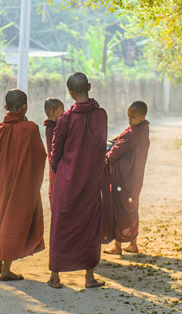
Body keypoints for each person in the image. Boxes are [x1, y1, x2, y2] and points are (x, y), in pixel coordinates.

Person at [47, 72, 107, 289]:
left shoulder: (66, 119)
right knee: (89, 224)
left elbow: (56, 150)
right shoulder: (101, 115)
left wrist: (58, 168)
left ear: (70, 93)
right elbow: (101, 146)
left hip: (68, 179)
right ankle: (89, 276)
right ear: (89, 86)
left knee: (62, 224)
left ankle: (55, 276)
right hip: (91, 179)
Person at [0, 89, 46, 281]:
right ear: (25, 106)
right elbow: (40, 157)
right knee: (14, 222)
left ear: (6, 107)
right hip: (21, 184)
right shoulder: (31, 129)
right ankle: (5, 270)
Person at [103, 101, 150, 256]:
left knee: (119, 210)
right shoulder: (143, 129)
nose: (130, 119)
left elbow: (115, 152)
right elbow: (122, 140)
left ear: (143, 116)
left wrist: (105, 157)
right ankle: (133, 244)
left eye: (133, 117)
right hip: (135, 179)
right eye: (128, 116)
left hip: (123, 179)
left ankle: (117, 247)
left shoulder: (132, 133)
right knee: (131, 209)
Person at [43, 97, 65, 208]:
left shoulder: (52, 126)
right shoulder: (52, 128)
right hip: (57, 166)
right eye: (62, 109)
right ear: (53, 112)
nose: (64, 112)